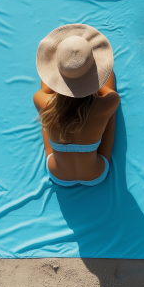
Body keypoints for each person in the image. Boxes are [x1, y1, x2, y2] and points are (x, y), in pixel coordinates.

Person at [33, 23, 120, 187]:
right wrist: (89, 69)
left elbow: (46, 82)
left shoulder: (40, 100)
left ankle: (65, 73)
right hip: (96, 174)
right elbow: (108, 78)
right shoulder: (109, 102)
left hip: (57, 173)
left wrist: (66, 68)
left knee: (47, 116)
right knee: (109, 113)